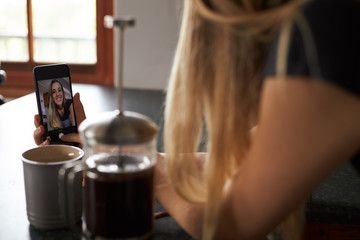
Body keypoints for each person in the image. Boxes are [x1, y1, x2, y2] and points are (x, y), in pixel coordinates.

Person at [34, 0, 360, 239]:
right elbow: (232, 160)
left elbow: (225, 225)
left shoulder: (319, 33)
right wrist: (117, 154)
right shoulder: (331, 20)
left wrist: (144, 168)